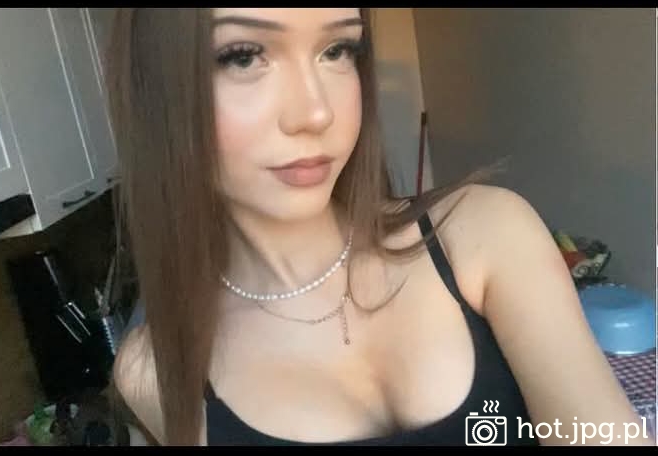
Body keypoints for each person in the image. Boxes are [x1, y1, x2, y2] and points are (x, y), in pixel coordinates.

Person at [105, 8, 652, 446]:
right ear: (156, 90)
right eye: (244, 56)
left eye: (337, 50)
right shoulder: (158, 371)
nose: (315, 112)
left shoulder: (483, 234)